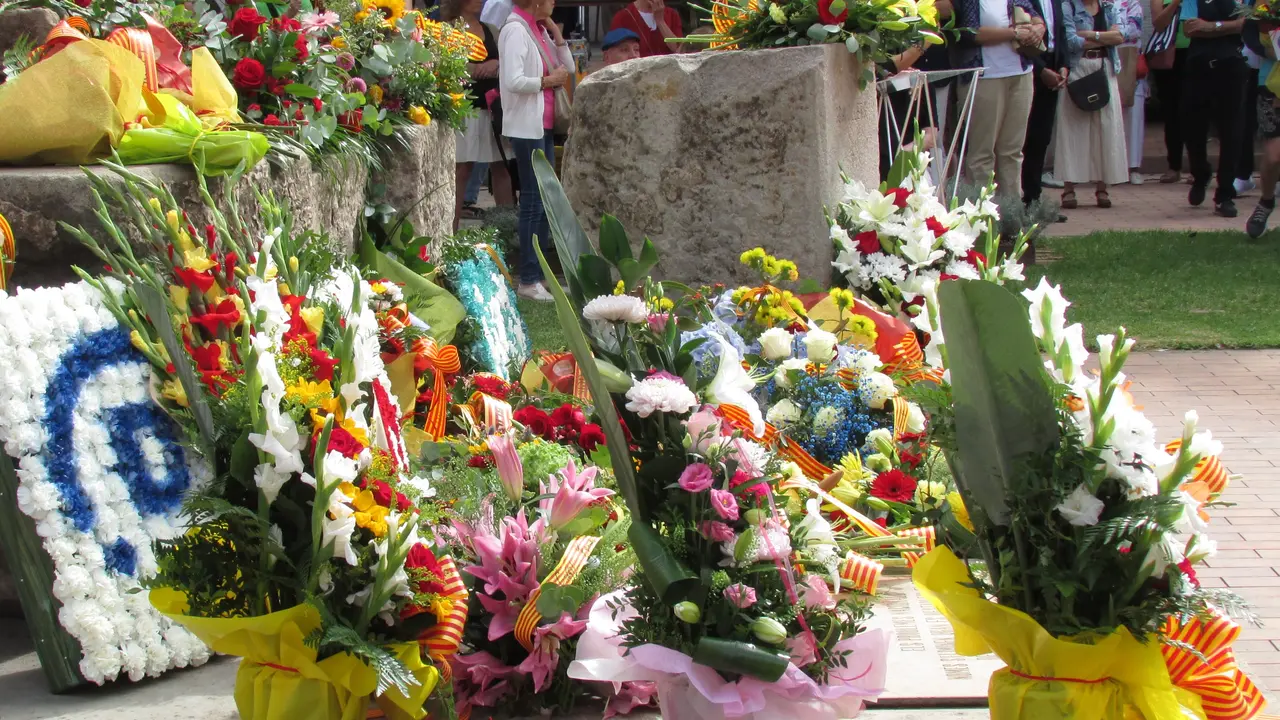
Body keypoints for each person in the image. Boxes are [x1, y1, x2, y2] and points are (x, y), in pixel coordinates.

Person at [500, 0, 575, 301]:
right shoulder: (515, 30)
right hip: (526, 127)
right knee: (532, 201)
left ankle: (539, 275)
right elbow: (513, 80)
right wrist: (547, 81)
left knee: (544, 201)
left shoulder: (537, 28)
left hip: (541, 126)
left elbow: (568, 68)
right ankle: (528, 279)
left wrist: (556, 34)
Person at [951, 0, 1046, 199]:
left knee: (1012, 151)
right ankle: (981, 217)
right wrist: (1014, 33)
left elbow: (1032, 12)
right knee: (982, 153)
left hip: (1020, 73)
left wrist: (1038, 27)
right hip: (985, 77)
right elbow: (970, 32)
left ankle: (1012, 218)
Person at [1055, 0, 1133, 209]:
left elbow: (1120, 37)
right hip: (1078, 68)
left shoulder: (1108, 6)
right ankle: (1069, 189)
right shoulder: (1068, 6)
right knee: (1073, 128)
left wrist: (1090, 35)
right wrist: (1105, 38)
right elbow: (1070, 41)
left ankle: (1102, 188)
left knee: (1106, 128)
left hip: (1104, 69)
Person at [447, 0, 515, 231]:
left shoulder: (490, 28)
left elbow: (507, 59)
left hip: (492, 107)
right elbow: (442, 64)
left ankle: (507, 231)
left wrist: (496, 62)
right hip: (464, 107)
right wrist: (473, 69)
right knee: (462, 170)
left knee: (501, 167)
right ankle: (451, 233)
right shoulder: (448, 28)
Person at [1180, 0, 1246, 217]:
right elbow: (1190, 29)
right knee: (1193, 130)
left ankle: (1225, 194)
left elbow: (1246, 24)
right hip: (1198, 67)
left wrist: (1211, 27)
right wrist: (1228, 26)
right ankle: (1201, 174)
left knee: (1231, 132)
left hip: (1232, 67)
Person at [1021, 0, 1072, 210]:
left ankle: (1034, 198)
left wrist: (1064, 65)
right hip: (1030, 68)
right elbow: (1020, 39)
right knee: (1025, 137)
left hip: (1053, 64)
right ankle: (1020, 197)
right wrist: (1041, 70)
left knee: (1042, 137)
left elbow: (1060, 31)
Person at [1243, 16, 1279, 236]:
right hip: (1272, 85)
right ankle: (1266, 202)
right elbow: (1251, 26)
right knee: (1274, 156)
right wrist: (1268, 49)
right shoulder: (1268, 7)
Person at [1149, 0, 1190, 182]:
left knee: (1195, 111)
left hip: (1195, 52)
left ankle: (1197, 167)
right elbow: (1158, 23)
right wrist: (1175, 3)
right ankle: (1174, 165)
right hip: (1168, 54)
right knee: (1171, 111)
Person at [1117, 0, 1145, 184]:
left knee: (1133, 113)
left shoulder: (1132, 2)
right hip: (1101, 56)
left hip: (1128, 59)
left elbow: (1135, 28)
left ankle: (1133, 167)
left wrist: (1106, 35)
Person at [609, 0, 684, 57]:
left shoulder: (672, 14)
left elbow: (678, 49)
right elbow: (615, 56)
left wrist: (660, 21)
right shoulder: (622, 17)